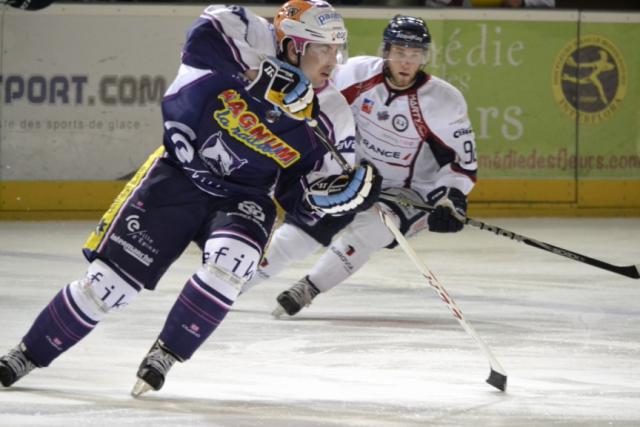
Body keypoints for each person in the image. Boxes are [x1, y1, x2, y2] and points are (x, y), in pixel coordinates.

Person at [0, 1, 381, 396]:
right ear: (293, 46)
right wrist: (259, 77)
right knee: (108, 287)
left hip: (243, 198)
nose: (334, 60)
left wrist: (325, 199)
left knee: (233, 264)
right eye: (324, 48)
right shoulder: (247, 31)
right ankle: (28, 352)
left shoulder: (332, 112)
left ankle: (168, 351)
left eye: (337, 49)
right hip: (178, 176)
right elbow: (203, 36)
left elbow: (300, 192)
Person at [242, 15, 478, 317]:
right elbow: (314, 100)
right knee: (296, 236)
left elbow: (460, 162)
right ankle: (229, 288)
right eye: (400, 53)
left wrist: (452, 197)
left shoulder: (444, 101)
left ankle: (309, 287)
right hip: (355, 178)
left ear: (424, 56)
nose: (407, 62)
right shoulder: (354, 74)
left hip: (408, 191)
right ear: (386, 51)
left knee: (374, 229)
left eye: (415, 54)